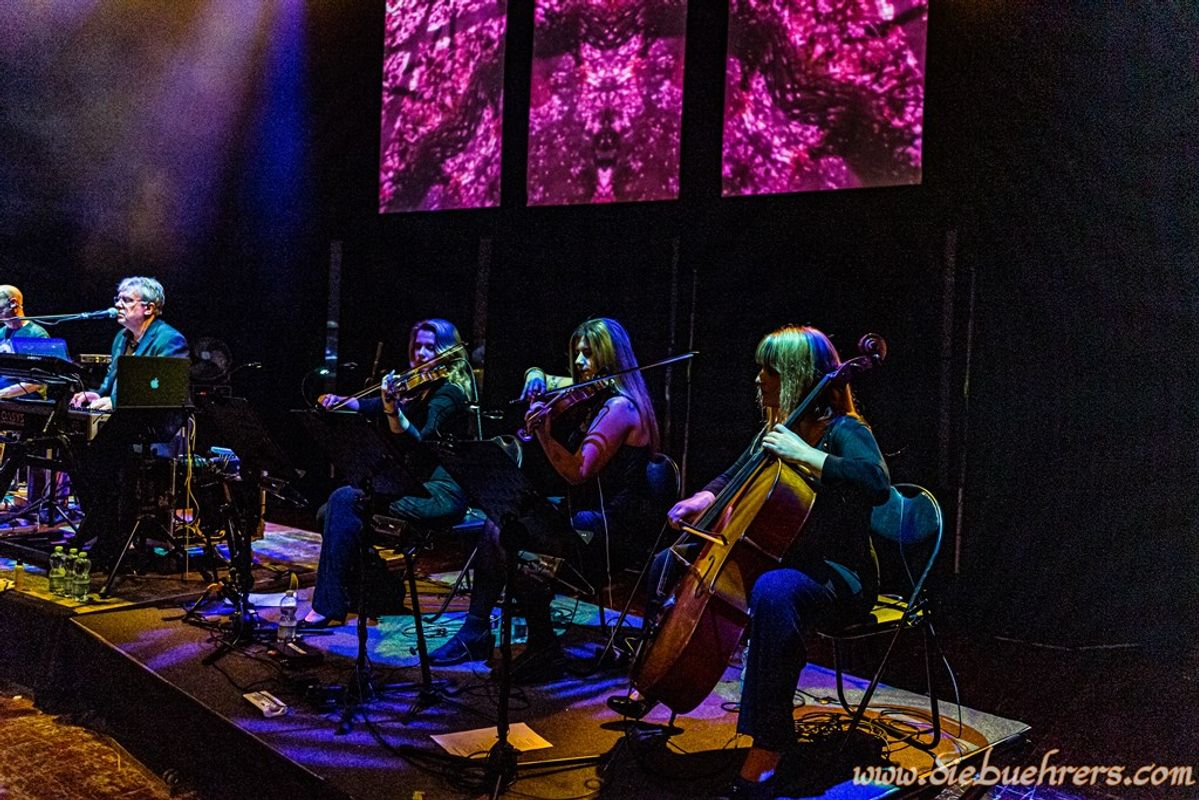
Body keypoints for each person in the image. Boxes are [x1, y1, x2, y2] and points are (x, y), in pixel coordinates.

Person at [610, 325, 889, 800]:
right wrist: (703, 497)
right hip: (782, 560)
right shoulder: (776, 430)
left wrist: (807, 456)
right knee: (667, 561)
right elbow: (733, 474)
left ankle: (768, 751)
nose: (759, 379)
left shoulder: (845, 431)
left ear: (798, 375)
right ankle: (653, 680)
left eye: (770, 370)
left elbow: (876, 482)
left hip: (838, 576)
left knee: (773, 591)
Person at [429, 317, 662, 683]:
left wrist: (545, 435)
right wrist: (536, 374)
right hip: (585, 518)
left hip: (608, 530)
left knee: (515, 532)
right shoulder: (599, 392)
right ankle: (485, 632)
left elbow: (576, 472)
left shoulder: (620, 407)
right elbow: (549, 378)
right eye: (577, 354)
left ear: (611, 357)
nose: (581, 363)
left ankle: (539, 645)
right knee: (502, 520)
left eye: (590, 354)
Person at [302, 319, 471, 627]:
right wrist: (344, 401)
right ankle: (380, 588)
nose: (420, 354)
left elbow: (419, 442)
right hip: (411, 486)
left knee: (344, 499)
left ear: (446, 352)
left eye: (429, 347)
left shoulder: (449, 395)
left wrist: (393, 411)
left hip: (439, 494)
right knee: (328, 513)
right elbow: (370, 405)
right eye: (417, 346)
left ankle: (327, 606)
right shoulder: (415, 390)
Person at [70, 276, 188, 411]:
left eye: (127, 300)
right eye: (118, 299)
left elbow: (163, 390)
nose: (118, 305)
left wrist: (115, 402)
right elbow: (111, 377)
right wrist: (97, 394)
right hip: (121, 416)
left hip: (152, 424)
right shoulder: (121, 337)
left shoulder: (169, 339)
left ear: (149, 308)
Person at [0, 285, 51, 399]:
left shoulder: (37, 335)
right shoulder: (1, 333)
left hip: (26, 401)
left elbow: (37, 382)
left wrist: (2, 394)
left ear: (13, 303)